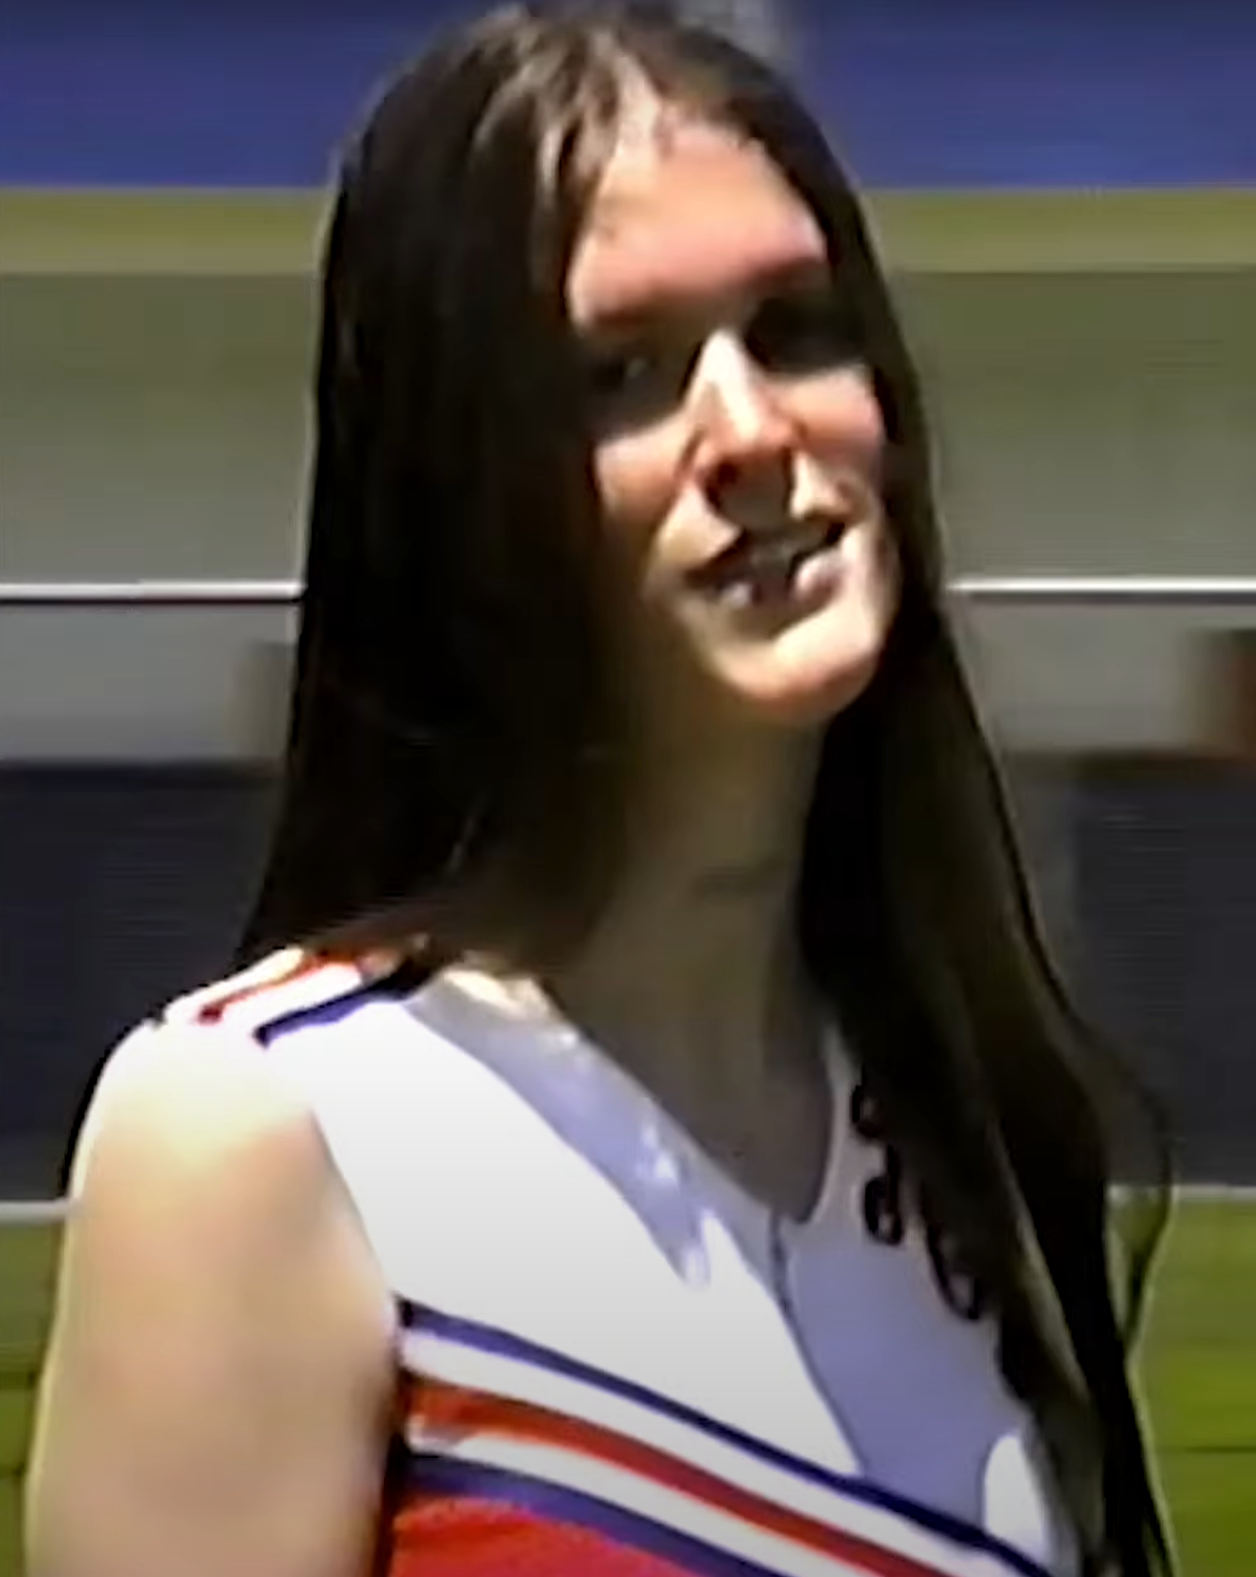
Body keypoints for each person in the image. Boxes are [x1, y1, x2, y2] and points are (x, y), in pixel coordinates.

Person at [22, 6, 1174, 1575]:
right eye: (621, 373)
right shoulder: (260, 1133)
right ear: (461, 486)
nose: (753, 431)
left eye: (795, 329)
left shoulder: (979, 1144)